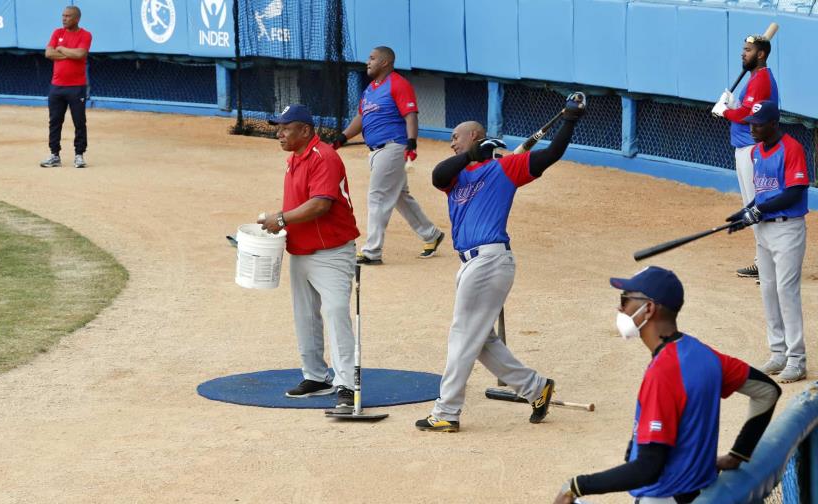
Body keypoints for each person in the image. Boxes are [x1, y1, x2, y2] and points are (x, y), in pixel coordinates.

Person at [414, 93, 586, 433]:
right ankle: (536, 388)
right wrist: (470, 158)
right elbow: (437, 175)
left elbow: (551, 155)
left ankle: (446, 411)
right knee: (482, 340)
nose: (451, 144)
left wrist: (569, 121)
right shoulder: (456, 178)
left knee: (463, 335)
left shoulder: (505, 169)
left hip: (489, 259)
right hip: (468, 264)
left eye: (455, 138)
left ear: (475, 136)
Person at [553, 266, 781, 504]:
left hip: (665, 497)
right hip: (701, 492)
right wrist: (737, 455)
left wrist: (576, 486)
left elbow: (648, 467)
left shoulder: (663, 373)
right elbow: (767, 391)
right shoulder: (704, 354)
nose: (619, 308)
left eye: (625, 300)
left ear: (649, 308)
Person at [258, 104, 359, 409]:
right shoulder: (294, 160)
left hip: (332, 252)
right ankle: (316, 376)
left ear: (305, 130)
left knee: (336, 313)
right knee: (305, 316)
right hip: (301, 250)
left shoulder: (323, 157)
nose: (280, 134)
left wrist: (283, 219)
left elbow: (320, 205)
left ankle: (346, 384)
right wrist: (281, 227)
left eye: (285, 128)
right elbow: (300, 203)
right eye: (279, 127)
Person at [333, 46, 445, 265]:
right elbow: (360, 118)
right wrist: (341, 138)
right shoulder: (370, 90)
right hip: (377, 151)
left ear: (385, 62)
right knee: (399, 196)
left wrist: (412, 143)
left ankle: (372, 252)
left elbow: (410, 115)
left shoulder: (398, 84)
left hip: (393, 147)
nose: (368, 61)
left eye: (372, 58)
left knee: (377, 196)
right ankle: (431, 234)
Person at [725, 100, 810, 383]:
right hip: (764, 231)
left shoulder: (792, 148)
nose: (752, 128)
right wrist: (744, 212)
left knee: (786, 292)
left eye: (757, 124)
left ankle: (797, 359)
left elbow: (795, 192)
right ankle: (778, 353)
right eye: (750, 123)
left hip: (787, 230)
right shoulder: (757, 153)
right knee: (769, 291)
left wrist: (758, 210)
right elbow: (762, 193)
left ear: (774, 124)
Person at [712, 34, 778, 278]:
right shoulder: (755, 78)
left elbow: (750, 115)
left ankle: (769, 265)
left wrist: (726, 112)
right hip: (746, 149)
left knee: (757, 207)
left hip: (753, 150)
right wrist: (731, 105)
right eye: (743, 49)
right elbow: (747, 108)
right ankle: (763, 262)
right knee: (753, 206)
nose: (743, 53)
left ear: (760, 54)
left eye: (748, 50)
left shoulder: (761, 79)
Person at [41, 6, 92, 169]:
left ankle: (79, 155)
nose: (64, 19)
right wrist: (70, 53)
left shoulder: (85, 35)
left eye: (68, 16)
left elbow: (80, 55)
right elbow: (48, 54)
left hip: (77, 87)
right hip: (56, 87)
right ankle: (54, 155)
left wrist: (62, 49)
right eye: (63, 16)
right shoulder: (57, 33)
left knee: (79, 121)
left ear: (76, 19)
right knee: (55, 121)